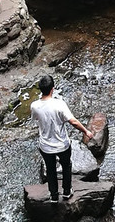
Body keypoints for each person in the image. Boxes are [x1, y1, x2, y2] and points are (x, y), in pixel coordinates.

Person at [30, 75, 93, 203]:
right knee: (66, 165)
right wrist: (86, 131)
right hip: (62, 144)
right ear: (52, 89)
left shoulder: (35, 106)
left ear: (41, 89)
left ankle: (53, 195)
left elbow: (35, 119)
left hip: (46, 146)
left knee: (50, 169)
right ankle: (66, 191)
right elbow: (73, 122)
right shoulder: (59, 104)